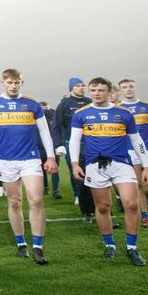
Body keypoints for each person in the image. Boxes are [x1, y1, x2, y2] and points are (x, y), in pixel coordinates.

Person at [69, 77, 148, 266]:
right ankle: (110, 244)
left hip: (122, 163)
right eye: (93, 90)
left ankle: (132, 248)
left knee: (131, 204)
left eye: (100, 90)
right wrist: (75, 164)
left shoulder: (123, 114)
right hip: (94, 164)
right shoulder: (82, 114)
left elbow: (136, 140)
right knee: (104, 206)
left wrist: (146, 165)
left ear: (108, 92)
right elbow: (74, 141)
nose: (96, 93)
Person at [0, 68, 57, 265]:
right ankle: (21, 242)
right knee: (14, 202)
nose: (13, 86)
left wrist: (50, 157)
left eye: (17, 82)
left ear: (22, 83)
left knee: (36, 199)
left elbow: (44, 131)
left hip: (30, 159)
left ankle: (38, 246)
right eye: (10, 82)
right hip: (6, 160)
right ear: (3, 83)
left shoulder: (32, 104)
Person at [118, 79, 148, 228]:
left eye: (130, 86)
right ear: (120, 91)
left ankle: (145, 201)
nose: (128, 89)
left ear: (135, 88)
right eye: (125, 87)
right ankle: (145, 215)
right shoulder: (118, 108)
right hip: (130, 150)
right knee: (139, 183)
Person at [53, 77, 94, 220]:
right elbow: (56, 126)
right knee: (77, 172)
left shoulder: (90, 103)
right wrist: (58, 144)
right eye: (78, 86)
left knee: (94, 173)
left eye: (83, 85)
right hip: (71, 144)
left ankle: (94, 202)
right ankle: (79, 196)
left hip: (91, 143)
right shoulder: (64, 104)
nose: (81, 88)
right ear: (71, 88)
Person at [39, 101, 62, 199]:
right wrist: (49, 109)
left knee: (42, 169)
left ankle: (45, 188)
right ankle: (55, 190)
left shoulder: (37, 116)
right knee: (54, 169)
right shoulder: (52, 114)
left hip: (40, 146)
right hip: (50, 146)